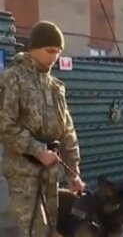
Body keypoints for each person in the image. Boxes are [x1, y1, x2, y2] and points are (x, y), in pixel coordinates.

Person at [0, 21, 85, 237]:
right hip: (23, 175)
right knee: (33, 231)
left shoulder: (55, 86)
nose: (54, 57)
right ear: (34, 47)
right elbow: (4, 124)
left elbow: (67, 130)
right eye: (50, 51)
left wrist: (73, 172)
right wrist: (37, 150)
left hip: (50, 174)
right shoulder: (12, 78)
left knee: (50, 231)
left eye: (58, 52)